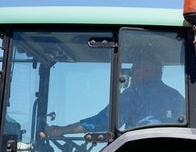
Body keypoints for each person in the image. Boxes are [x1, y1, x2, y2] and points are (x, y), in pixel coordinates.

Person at [45, 55, 185, 136]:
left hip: (141, 149)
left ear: (145, 70)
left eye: (133, 69)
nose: (131, 74)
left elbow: (105, 121)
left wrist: (62, 130)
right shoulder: (177, 96)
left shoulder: (135, 92)